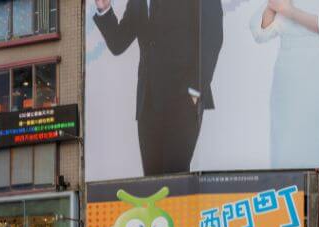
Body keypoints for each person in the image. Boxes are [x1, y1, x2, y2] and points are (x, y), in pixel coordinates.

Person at [92, 0, 224, 176]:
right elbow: (118, 42)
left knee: (175, 178)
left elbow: (213, 37)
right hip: (148, 103)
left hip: (183, 101)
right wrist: (104, 8)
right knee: (152, 181)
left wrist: (195, 92)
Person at [251, 0, 319, 168]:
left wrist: (290, 11)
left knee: (316, 141)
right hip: (287, 72)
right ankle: (286, 190)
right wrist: (274, 6)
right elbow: (260, 32)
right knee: (284, 143)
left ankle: (314, 191)